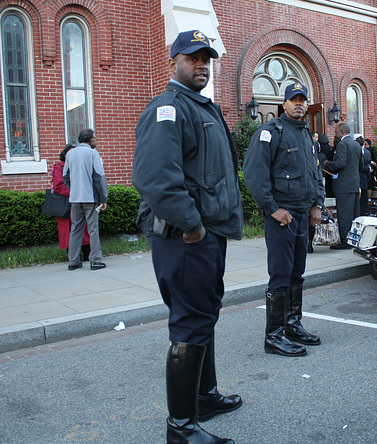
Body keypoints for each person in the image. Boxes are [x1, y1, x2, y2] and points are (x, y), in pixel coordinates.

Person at [132, 30, 242, 444]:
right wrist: (193, 226)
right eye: (193, 58)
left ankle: (205, 396)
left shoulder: (202, 107)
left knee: (204, 314)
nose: (202, 65)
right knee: (190, 322)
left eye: (206, 59)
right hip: (185, 237)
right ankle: (181, 428)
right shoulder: (169, 108)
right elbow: (155, 179)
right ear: (173, 60)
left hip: (207, 233)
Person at [243, 81, 324, 358]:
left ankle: (292, 325)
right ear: (284, 104)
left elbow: (316, 174)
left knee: (296, 274)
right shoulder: (271, 131)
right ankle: (274, 336)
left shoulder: (306, 135)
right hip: (282, 217)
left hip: (303, 215)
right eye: (294, 100)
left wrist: (317, 205)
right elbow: (254, 173)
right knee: (280, 275)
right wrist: (271, 208)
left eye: (303, 99)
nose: (299, 104)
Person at [62, 128, 108, 271]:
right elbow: (99, 177)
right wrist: (103, 198)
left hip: (75, 198)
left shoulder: (70, 154)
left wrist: (73, 189)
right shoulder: (93, 153)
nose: (96, 141)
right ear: (90, 140)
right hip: (90, 197)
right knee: (93, 229)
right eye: (94, 138)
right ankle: (95, 260)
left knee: (75, 229)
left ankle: (73, 261)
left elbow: (65, 176)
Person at [323, 123, 363, 249]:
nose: (335, 135)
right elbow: (361, 165)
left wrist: (327, 164)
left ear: (341, 132)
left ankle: (345, 241)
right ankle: (354, 239)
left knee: (344, 214)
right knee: (354, 214)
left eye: (335, 132)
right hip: (355, 184)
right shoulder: (356, 144)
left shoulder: (342, 144)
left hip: (344, 185)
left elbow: (340, 163)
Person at [52, 144, 90, 259]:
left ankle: (88, 254)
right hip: (68, 203)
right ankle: (74, 257)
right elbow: (58, 185)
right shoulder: (59, 167)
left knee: (85, 229)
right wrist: (75, 192)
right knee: (70, 231)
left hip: (82, 200)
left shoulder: (82, 166)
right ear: (65, 155)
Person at [355, 136, 373, 216]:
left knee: (363, 200)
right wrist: (368, 169)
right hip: (357, 178)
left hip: (363, 179)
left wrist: (369, 169)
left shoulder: (367, 152)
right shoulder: (357, 152)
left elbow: (368, 162)